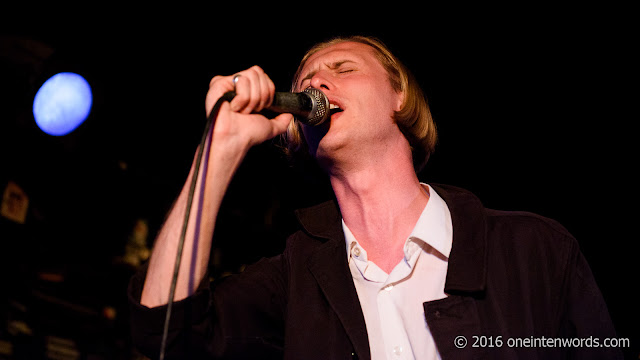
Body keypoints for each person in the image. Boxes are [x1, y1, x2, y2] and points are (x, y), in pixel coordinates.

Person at [128, 36, 621, 359]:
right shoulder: (295, 277)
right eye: (305, 83)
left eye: (342, 68)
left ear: (399, 96)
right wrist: (219, 151)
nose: (317, 83)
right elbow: (164, 333)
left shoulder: (533, 248)